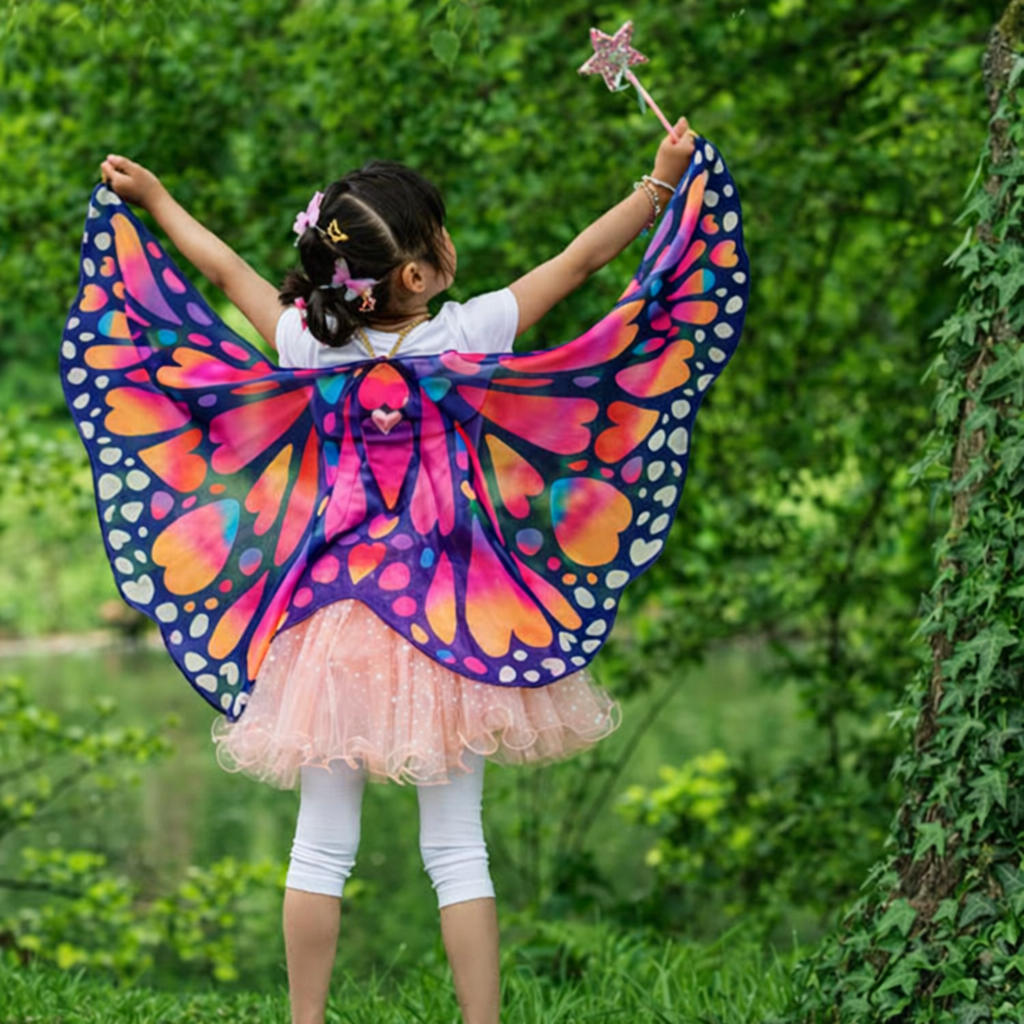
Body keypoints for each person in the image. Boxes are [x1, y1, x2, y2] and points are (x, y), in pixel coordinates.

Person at [92, 116, 703, 1024]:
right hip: (455, 618)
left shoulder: (306, 344)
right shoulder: (471, 334)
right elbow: (578, 265)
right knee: (459, 847)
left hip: (329, 628)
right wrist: (661, 186)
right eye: (439, 235)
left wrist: (157, 200)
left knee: (318, 846)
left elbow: (221, 274)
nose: (450, 244)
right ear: (416, 275)